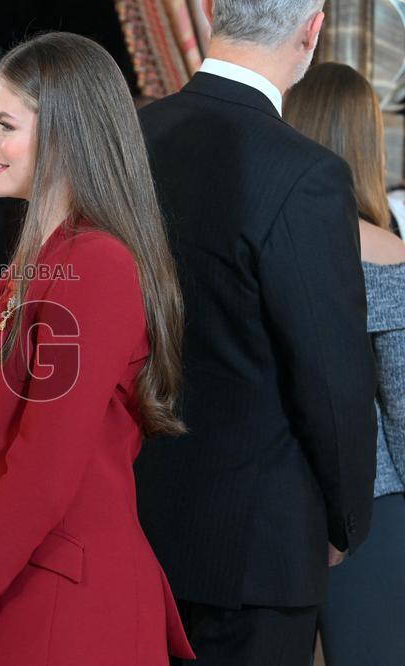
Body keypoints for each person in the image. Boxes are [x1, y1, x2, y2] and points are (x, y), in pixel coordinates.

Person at [0, 32, 195, 665]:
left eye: (3, 124)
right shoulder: (48, 258)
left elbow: (43, 471)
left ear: (66, 135)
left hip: (69, 610)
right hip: (25, 592)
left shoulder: (96, 265)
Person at [134, 1, 379, 664]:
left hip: (129, 524)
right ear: (313, 30)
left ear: (212, 13)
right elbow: (332, 377)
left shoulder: (128, 136)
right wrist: (346, 520)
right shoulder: (307, 175)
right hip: (255, 552)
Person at [285, 62, 405, 666]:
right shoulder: (387, 255)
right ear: (367, 141)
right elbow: (403, 406)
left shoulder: (268, 241)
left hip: (275, 493)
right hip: (375, 503)